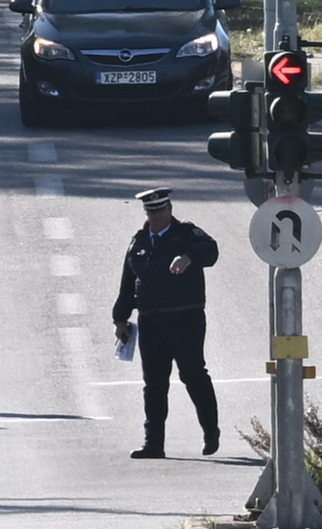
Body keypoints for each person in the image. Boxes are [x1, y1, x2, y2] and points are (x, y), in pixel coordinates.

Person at [112, 186, 220, 459]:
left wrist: (188, 257)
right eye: (151, 211)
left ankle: (210, 431)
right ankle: (153, 443)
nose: (156, 216)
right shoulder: (138, 242)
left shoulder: (186, 234)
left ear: (170, 210)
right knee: (155, 383)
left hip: (186, 318)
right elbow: (129, 283)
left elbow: (210, 250)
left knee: (193, 375)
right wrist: (120, 318)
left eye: (160, 210)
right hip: (151, 321)